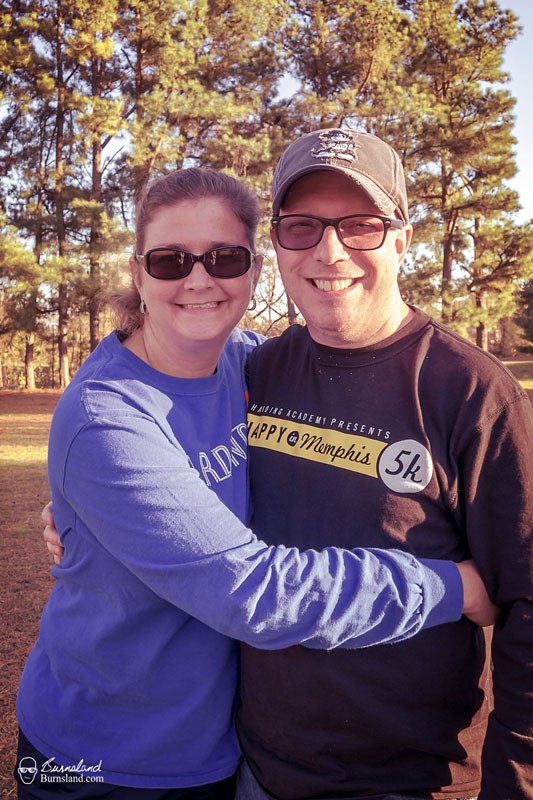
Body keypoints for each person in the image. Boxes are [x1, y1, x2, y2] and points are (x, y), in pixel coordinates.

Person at [18, 166, 493, 800]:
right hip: (106, 757)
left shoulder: (251, 362)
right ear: (137, 274)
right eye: (168, 261)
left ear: (253, 269)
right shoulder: (107, 418)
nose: (198, 279)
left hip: (224, 747)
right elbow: (253, 593)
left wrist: (75, 509)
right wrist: (450, 586)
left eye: (224, 257)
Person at [234, 129, 533, 800]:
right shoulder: (258, 371)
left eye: (360, 226)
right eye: (301, 228)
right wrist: (80, 513)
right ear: (276, 245)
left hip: (405, 781)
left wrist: (513, 784)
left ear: (401, 239)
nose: (328, 251)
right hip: (252, 765)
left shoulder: (472, 392)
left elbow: (525, 602)